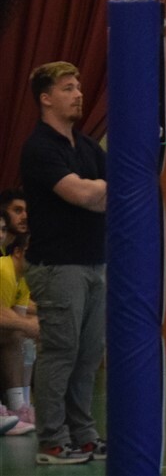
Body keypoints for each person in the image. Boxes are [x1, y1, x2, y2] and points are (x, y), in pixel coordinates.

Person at [19, 61, 107, 465]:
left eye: (78, 87)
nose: (78, 94)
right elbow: (83, 196)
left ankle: (83, 434)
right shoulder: (40, 148)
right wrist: (98, 190)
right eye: (68, 88)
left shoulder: (86, 147)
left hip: (93, 262)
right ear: (46, 98)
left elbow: (110, 195)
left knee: (88, 354)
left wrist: (98, 189)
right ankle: (52, 440)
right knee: (61, 351)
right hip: (57, 266)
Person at [0, 191, 36, 438]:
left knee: (20, 336)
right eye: (17, 210)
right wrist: (32, 325)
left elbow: (16, 315)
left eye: (3, 230)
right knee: (18, 332)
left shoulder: (19, 274)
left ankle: (21, 406)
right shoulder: (4, 269)